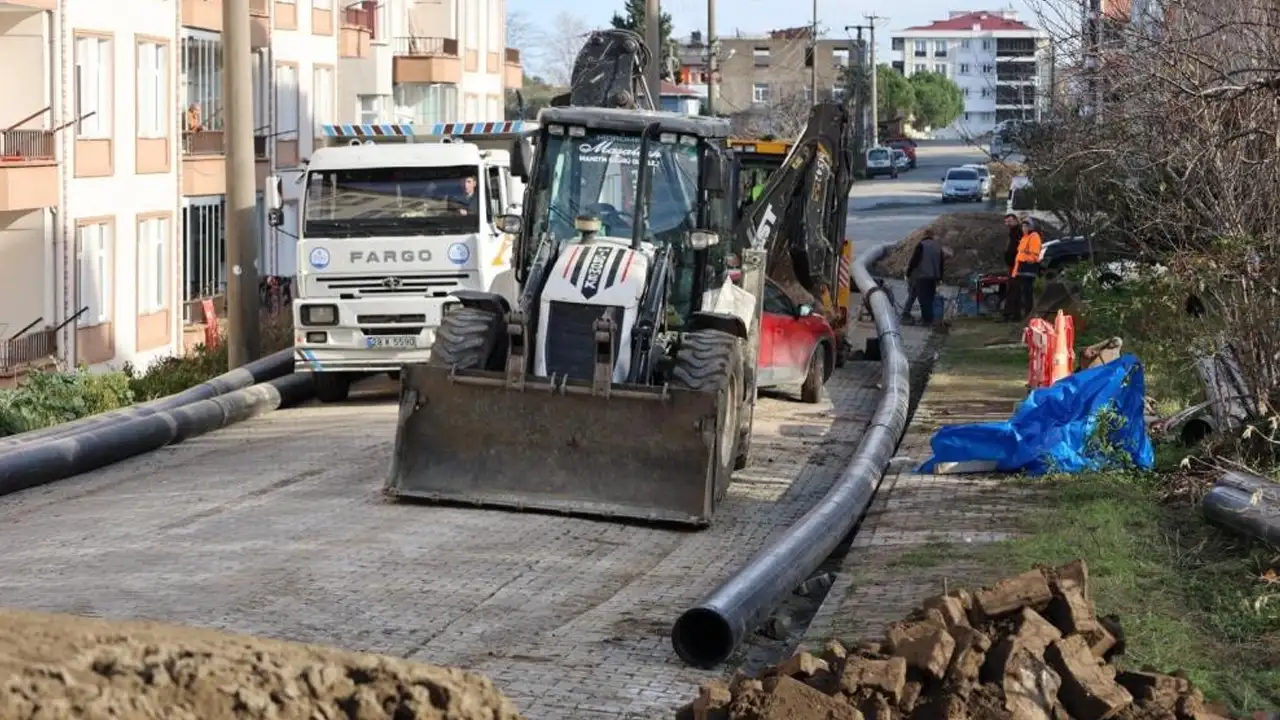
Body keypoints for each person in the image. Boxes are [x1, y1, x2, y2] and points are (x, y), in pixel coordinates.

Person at [905, 231, 945, 325]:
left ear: (924, 236)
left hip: (922, 275)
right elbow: (941, 264)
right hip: (934, 277)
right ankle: (930, 318)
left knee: (923, 299)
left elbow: (914, 260)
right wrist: (940, 278)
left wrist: (908, 273)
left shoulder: (921, 245)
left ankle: (926, 320)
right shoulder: (938, 247)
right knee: (930, 298)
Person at [1009, 218, 1043, 321]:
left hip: (1028, 270)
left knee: (1027, 294)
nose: (1024, 228)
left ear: (1031, 227)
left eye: (1026, 226)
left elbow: (1034, 256)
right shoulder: (1024, 238)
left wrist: (1023, 259)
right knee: (1019, 294)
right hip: (1020, 270)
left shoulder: (1034, 237)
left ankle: (1028, 316)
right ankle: (1019, 316)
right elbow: (1020, 255)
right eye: (1023, 226)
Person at [1000, 213, 1021, 318]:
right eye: (1006, 222)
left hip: (1017, 264)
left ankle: (1013, 313)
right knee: (1011, 288)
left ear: (1015, 220)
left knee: (1014, 288)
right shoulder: (1011, 233)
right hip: (1011, 264)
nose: (1008, 224)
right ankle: (1010, 312)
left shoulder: (1019, 232)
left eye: (1010, 221)